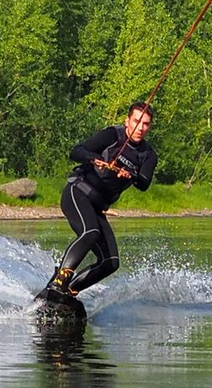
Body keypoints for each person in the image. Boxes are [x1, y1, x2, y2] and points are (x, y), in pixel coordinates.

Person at [42, 101, 158, 301]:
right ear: (127, 121)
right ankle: (59, 281)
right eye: (137, 121)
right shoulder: (112, 135)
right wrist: (93, 158)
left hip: (97, 207)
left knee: (111, 262)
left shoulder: (148, 155)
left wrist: (130, 174)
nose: (140, 128)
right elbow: (76, 151)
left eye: (146, 124)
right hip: (77, 192)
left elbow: (144, 183)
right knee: (91, 232)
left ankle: (69, 291)